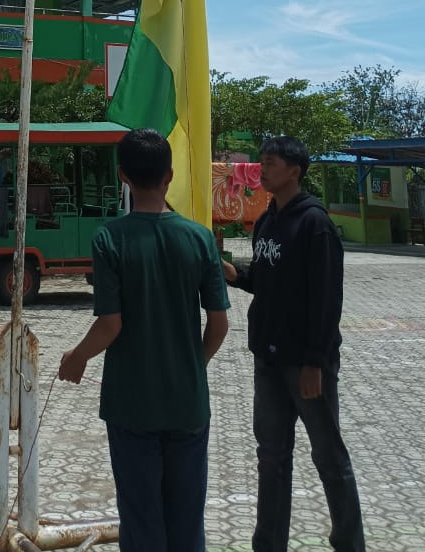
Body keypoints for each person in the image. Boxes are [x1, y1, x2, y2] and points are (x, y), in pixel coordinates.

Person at [59, 129, 230, 552]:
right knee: (186, 517)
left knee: (141, 517)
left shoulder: (109, 238)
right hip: (188, 402)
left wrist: (77, 356)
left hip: (132, 404)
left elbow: (110, 325)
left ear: (123, 176)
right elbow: (219, 323)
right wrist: (193, 364)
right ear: (169, 175)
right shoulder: (200, 238)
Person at [222, 135, 365, 552]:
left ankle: (349, 540)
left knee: (328, 455)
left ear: (294, 172)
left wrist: (315, 362)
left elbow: (327, 298)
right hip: (267, 360)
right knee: (271, 455)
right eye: (262, 162)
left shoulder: (314, 224)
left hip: (304, 363)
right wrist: (236, 274)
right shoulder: (267, 220)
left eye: (270, 163)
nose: (262, 170)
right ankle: (268, 543)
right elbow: (265, 279)